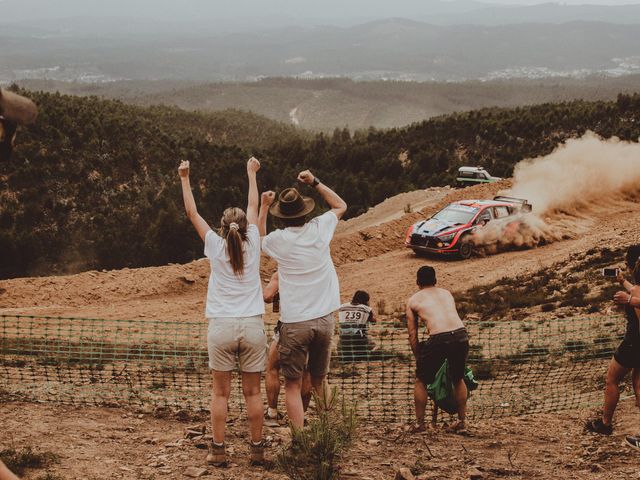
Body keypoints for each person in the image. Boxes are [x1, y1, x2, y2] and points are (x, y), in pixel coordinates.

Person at [179, 157, 268, 467]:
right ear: (246, 228)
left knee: (220, 394)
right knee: (253, 393)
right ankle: (257, 451)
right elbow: (253, 205)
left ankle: (218, 452)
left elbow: (192, 212)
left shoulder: (215, 246)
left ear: (223, 228)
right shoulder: (254, 241)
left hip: (221, 327)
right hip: (253, 326)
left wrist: (185, 177)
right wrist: (251, 173)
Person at [262, 170, 347, 429]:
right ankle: (329, 430)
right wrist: (315, 182)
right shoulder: (320, 228)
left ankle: (299, 437)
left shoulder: (279, 240)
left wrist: (264, 207)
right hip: (324, 320)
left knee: (293, 384)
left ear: (282, 217)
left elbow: (257, 238)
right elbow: (341, 205)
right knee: (320, 380)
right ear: (305, 212)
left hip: (295, 322)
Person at [587, 245, 640, 446]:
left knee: (611, 379)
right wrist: (623, 283)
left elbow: (636, 296)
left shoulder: (635, 293)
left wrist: (629, 300)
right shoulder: (635, 289)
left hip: (634, 344)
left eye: (628, 265)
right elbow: (636, 291)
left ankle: (605, 424)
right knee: (638, 385)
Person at [406, 266, 470, 433]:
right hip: (461, 335)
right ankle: (462, 422)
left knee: (421, 380)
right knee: (458, 378)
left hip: (439, 338)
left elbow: (413, 334)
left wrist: (418, 356)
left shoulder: (413, 300)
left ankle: (420, 424)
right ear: (435, 280)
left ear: (417, 281)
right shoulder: (447, 293)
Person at [262, 272, 313, 424]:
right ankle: (300, 416)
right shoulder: (316, 271)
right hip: (313, 324)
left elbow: (267, 296)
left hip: (289, 325)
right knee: (307, 372)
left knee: (272, 367)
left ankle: (272, 412)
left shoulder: (281, 273)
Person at [338, 290, 376, 362]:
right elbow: (373, 322)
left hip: (343, 338)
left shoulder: (342, 307)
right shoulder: (365, 309)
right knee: (373, 344)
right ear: (365, 300)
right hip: (358, 339)